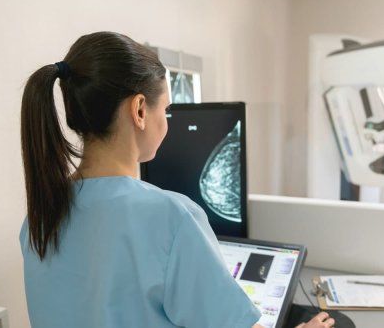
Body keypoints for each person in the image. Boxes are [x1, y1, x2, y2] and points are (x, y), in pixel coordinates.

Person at [19, 31, 334, 328]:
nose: (167, 122)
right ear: (140, 110)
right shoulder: (170, 218)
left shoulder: (39, 219)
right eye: (166, 110)